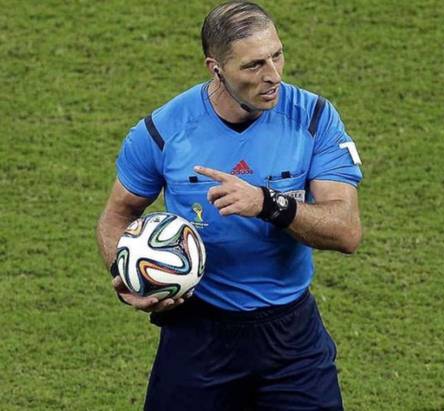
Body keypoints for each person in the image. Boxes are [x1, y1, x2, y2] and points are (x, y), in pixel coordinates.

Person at [95, 2, 362, 410]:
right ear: (216, 69)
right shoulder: (164, 130)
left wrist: (268, 204)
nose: (273, 75)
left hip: (291, 339)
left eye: (277, 55)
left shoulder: (313, 118)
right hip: (197, 334)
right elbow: (117, 214)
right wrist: (127, 273)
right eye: (254, 65)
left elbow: (346, 231)